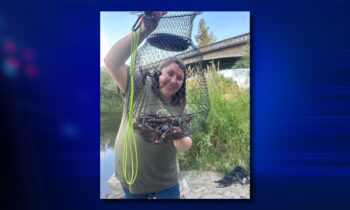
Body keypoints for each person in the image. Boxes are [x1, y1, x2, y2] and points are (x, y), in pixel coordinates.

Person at [104, 12, 192, 199]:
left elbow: (186, 143)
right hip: (131, 182)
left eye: (179, 78)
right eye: (170, 73)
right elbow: (111, 61)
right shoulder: (140, 85)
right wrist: (145, 30)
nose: (174, 80)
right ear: (159, 73)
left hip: (165, 185)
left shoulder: (181, 108)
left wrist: (178, 138)